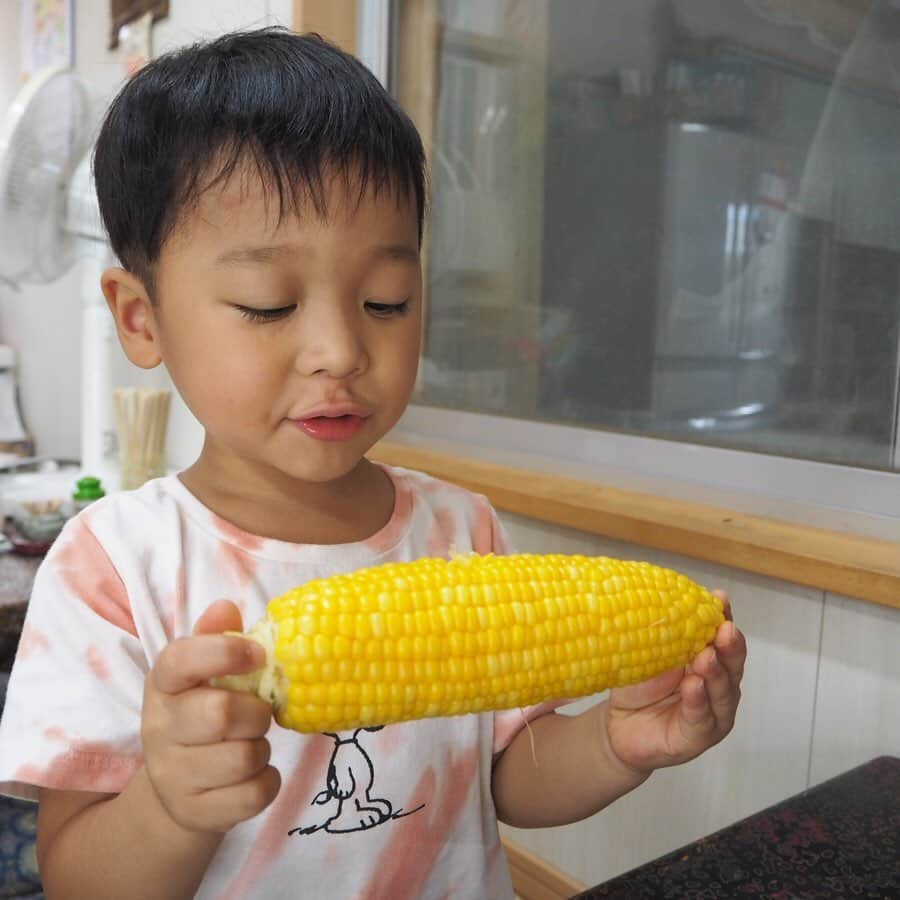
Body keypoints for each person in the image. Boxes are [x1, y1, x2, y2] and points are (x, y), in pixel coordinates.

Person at [0, 28, 746, 900]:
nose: (339, 349)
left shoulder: (461, 529)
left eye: (386, 300)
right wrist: (167, 805)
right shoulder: (114, 569)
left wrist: (620, 743)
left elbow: (506, 779)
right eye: (268, 305)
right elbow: (78, 876)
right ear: (141, 319)